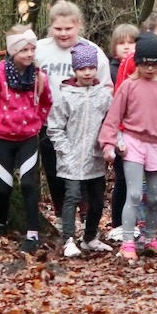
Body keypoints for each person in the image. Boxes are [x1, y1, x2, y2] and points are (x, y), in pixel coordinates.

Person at [99, 32, 157, 262]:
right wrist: (108, 143)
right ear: (137, 62)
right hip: (134, 143)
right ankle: (128, 241)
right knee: (134, 194)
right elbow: (114, 116)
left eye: (154, 63)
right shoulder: (128, 86)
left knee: (155, 197)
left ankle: (150, 237)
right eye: (145, 63)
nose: (149, 68)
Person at [33, 0, 113, 218]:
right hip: (49, 122)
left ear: (78, 25)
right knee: (54, 170)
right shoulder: (39, 50)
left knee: (85, 171)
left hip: (84, 122)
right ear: (51, 27)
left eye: (68, 28)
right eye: (58, 29)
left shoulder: (92, 51)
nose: (63, 33)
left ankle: (87, 215)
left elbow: (106, 87)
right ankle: (62, 215)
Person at [0, 26, 52, 252]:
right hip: (3, 139)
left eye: (32, 49)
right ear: (13, 51)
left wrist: (37, 122)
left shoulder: (39, 77)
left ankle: (32, 234)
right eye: (24, 50)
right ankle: (1, 222)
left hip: (28, 139)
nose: (29, 54)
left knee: (28, 184)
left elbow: (46, 102)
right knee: (4, 187)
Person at [46, 42, 113, 258]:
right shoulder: (65, 96)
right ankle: (68, 239)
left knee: (97, 200)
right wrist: (65, 151)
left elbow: (111, 123)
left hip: (95, 158)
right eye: (82, 68)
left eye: (91, 68)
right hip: (71, 158)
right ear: (75, 70)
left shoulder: (104, 96)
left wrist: (110, 145)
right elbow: (54, 127)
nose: (87, 72)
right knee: (72, 197)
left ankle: (90, 237)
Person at [105, 24, 138, 241]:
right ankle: (118, 222)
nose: (127, 47)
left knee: (139, 182)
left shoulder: (143, 69)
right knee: (123, 179)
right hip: (119, 132)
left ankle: (136, 222)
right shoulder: (111, 70)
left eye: (131, 42)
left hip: (140, 131)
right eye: (121, 43)